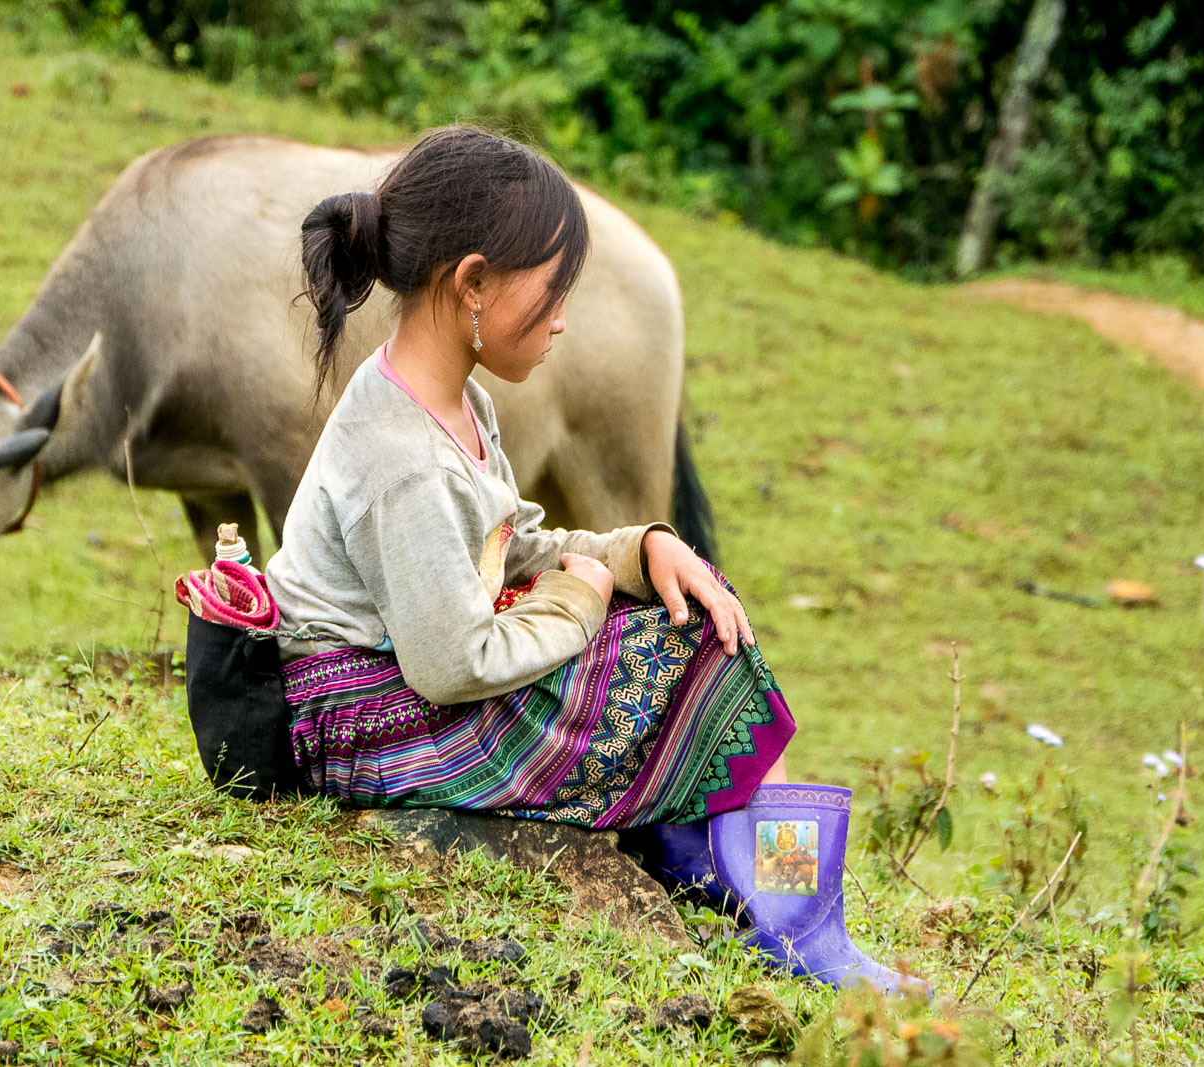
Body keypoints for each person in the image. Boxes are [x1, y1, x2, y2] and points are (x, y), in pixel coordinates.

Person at [262, 125, 926, 994]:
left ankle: (743, 878)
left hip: (406, 687)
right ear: (472, 284)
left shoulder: (451, 402)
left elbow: (510, 548)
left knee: (692, 607)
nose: (563, 319)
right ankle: (793, 917)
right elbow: (451, 663)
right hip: (366, 724)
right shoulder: (403, 460)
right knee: (693, 655)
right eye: (551, 292)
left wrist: (637, 550)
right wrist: (579, 604)